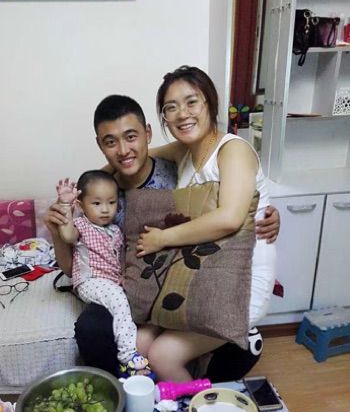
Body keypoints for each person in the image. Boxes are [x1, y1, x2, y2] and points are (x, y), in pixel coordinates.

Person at [43, 94, 280, 380]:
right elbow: (73, 267)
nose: (123, 150)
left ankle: (205, 363)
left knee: (224, 341)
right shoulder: (100, 192)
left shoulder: (178, 171)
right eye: (110, 142)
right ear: (100, 145)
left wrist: (262, 215)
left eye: (131, 137)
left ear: (147, 133)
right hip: (125, 286)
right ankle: (120, 390)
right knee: (92, 328)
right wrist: (57, 231)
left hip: (176, 278)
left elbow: (222, 208)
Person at [134, 65, 276, 381]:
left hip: (239, 280)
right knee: (140, 341)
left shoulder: (233, 150)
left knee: (162, 354)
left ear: (209, 103)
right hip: (202, 274)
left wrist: (162, 238)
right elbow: (134, 157)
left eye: (191, 102)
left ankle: (199, 398)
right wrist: (86, 187)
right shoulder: (183, 152)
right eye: (171, 107)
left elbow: (230, 217)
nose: (182, 114)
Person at [54, 171, 153, 377]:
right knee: (118, 300)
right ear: (81, 205)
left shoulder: (115, 230)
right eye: (97, 203)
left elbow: (120, 257)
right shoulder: (81, 225)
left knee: (129, 300)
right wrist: (64, 205)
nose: (106, 209)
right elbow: (67, 235)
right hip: (90, 280)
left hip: (111, 282)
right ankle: (128, 355)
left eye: (111, 202)